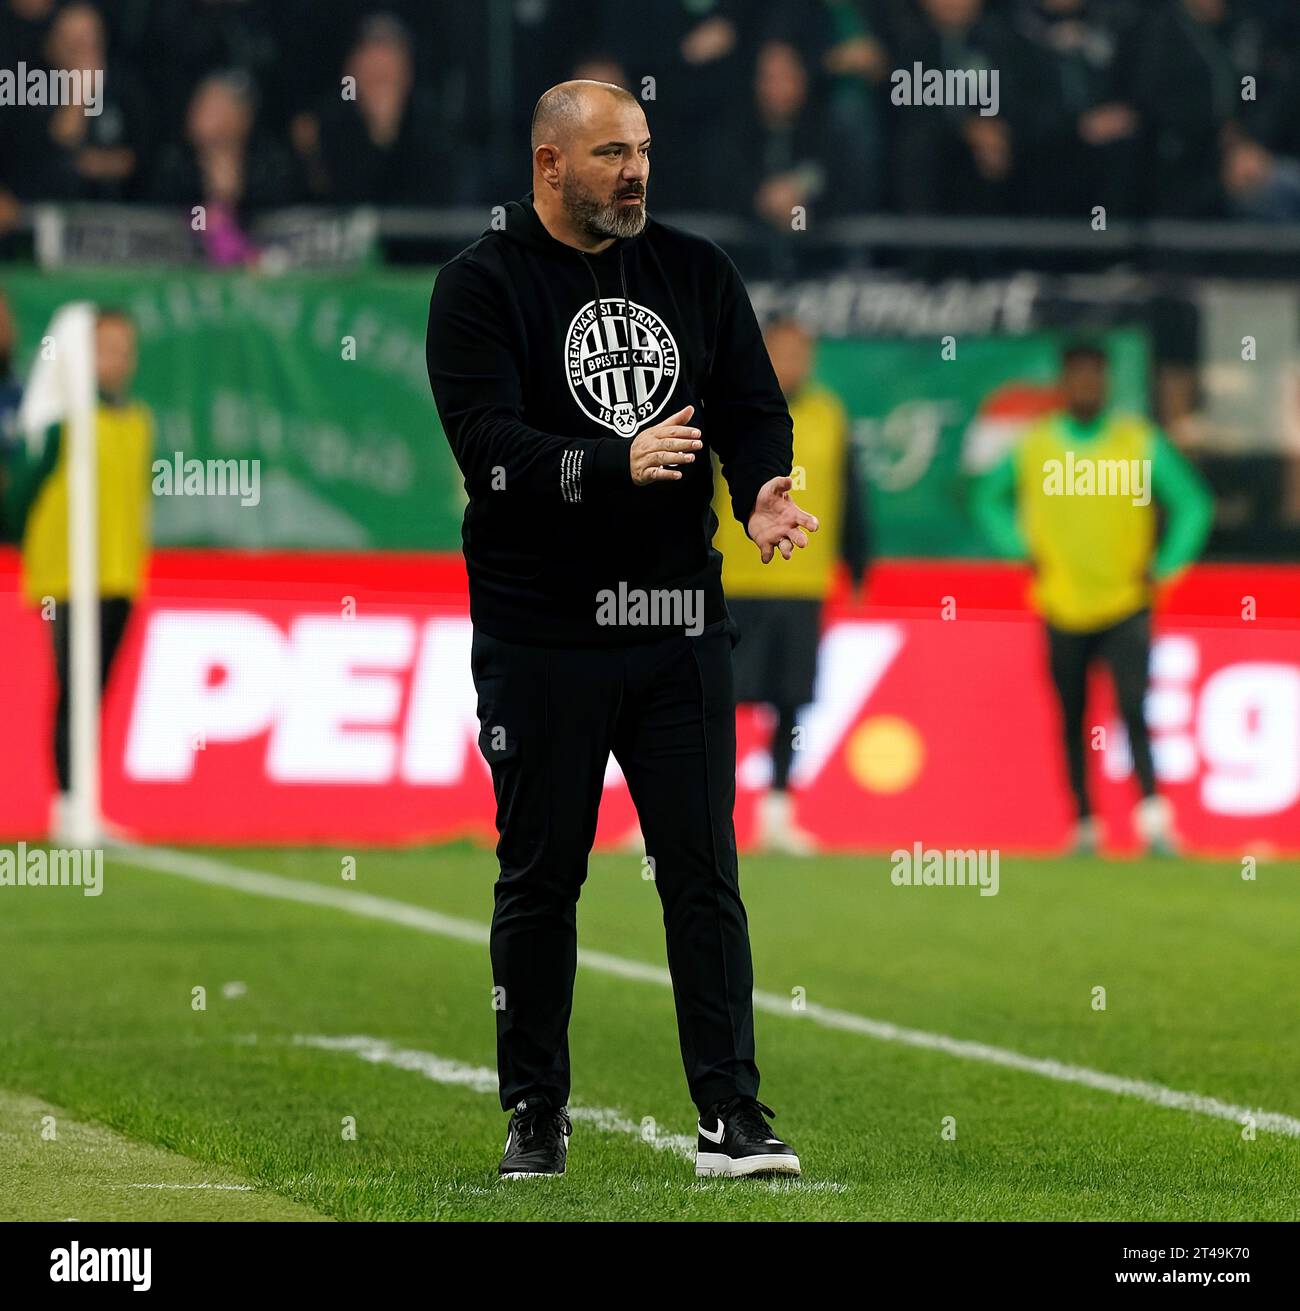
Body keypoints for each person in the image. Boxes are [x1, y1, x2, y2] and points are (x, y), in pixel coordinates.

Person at [426, 80, 817, 1180]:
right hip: (539, 630)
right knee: (542, 876)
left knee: (701, 867)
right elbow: (488, 448)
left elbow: (747, 400)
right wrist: (613, 458)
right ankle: (535, 1111)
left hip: (672, 618)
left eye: (642, 150)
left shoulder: (695, 268)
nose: (635, 172)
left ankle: (731, 1115)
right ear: (548, 166)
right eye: (609, 155)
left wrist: (760, 490)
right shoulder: (478, 285)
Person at [972, 341, 1213, 854]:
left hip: (1126, 602)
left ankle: (1153, 819)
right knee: (1072, 714)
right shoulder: (1036, 445)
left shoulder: (1136, 441)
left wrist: (1166, 564)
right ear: (1064, 383)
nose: (1087, 387)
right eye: (1077, 377)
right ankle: (1084, 821)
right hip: (1062, 602)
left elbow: (1193, 504)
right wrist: (1020, 549)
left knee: (1134, 708)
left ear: (1106, 383)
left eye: (1095, 378)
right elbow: (986, 497)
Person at [713, 318, 867, 854]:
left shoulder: (830, 415)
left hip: (802, 583)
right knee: (712, 701)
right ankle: (688, 815)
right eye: (780, 353)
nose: (791, 364)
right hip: (734, 579)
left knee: (791, 701)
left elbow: (851, 490)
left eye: (800, 353)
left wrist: (858, 561)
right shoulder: (728, 408)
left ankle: (777, 815)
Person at [6, 310, 153, 835]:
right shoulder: (61, 422)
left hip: (120, 573)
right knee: (75, 686)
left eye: (124, 348)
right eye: (106, 347)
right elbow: (22, 494)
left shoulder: (137, 420)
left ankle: (81, 800)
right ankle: (70, 804)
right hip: (66, 575)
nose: (117, 359)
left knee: (97, 690)